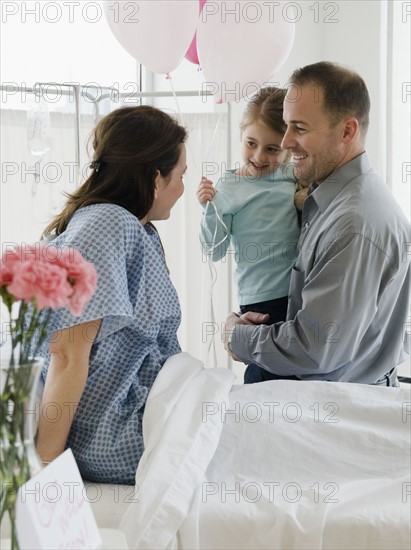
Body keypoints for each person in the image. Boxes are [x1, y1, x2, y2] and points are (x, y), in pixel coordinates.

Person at [224, 61, 410, 386]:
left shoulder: (354, 224)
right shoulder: (324, 199)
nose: (284, 142)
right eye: (285, 125)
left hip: (334, 417)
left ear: (347, 131)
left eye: (300, 128)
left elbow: (314, 349)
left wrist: (236, 337)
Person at [36, 105, 187, 484]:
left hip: (148, 404)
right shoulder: (107, 225)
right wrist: (44, 472)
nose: (183, 188)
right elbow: (67, 353)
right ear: (156, 179)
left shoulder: (135, 230)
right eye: (180, 175)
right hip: (117, 430)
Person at [197, 87, 302, 383]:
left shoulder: (291, 175)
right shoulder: (228, 187)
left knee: (295, 371)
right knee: (264, 371)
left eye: (272, 149)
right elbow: (214, 250)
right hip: (260, 299)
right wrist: (209, 207)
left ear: (287, 147)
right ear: (241, 133)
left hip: (299, 294)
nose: (258, 156)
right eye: (251, 143)